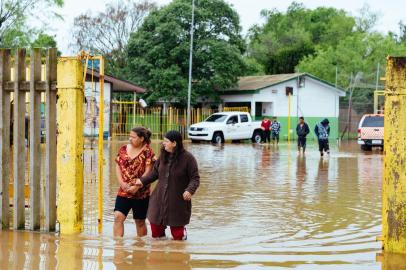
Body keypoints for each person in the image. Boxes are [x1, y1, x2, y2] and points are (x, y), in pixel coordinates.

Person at [135, 130, 200, 240]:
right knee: (156, 235)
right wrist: (142, 181)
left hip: (178, 202)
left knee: (178, 236)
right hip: (158, 201)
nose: (163, 143)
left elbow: (195, 178)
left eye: (166, 141)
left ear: (174, 143)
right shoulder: (163, 156)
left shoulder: (188, 159)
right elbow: (155, 174)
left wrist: (189, 190)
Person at [113, 127, 155, 237]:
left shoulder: (148, 152)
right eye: (129, 136)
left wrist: (137, 186)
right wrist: (121, 183)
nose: (130, 139)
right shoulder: (123, 149)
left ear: (141, 138)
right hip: (124, 190)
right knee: (118, 217)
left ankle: (140, 248)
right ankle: (118, 247)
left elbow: (148, 171)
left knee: (140, 222)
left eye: (133, 137)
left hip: (141, 193)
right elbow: (118, 166)